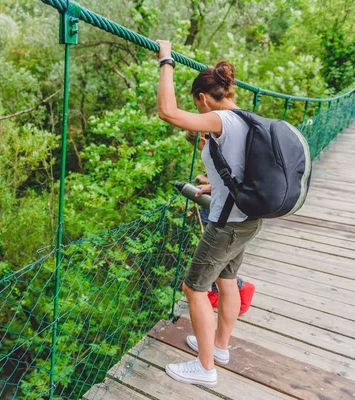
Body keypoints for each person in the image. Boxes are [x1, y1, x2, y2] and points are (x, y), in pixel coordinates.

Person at [156, 40, 263, 387]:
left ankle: (205, 369)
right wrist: (214, 186)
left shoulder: (221, 119)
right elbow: (240, 170)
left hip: (227, 225)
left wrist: (166, 60)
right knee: (227, 280)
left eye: (196, 105)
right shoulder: (249, 119)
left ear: (203, 98)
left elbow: (168, 113)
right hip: (248, 218)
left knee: (194, 288)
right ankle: (219, 348)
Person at [185, 133, 256, 317]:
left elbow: (228, 179)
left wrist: (204, 181)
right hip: (239, 217)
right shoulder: (227, 145)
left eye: (199, 147)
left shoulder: (216, 150)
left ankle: (240, 291)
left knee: (199, 282)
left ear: (201, 139)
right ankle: (219, 341)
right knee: (223, 273)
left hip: (225, 217)